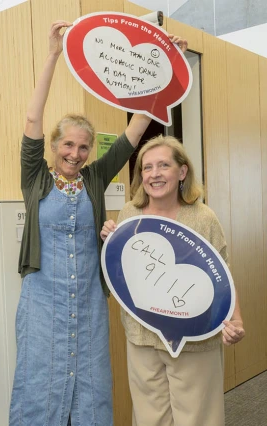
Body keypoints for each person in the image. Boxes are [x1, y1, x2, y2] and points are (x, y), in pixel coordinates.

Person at [10, 21, 188, 426]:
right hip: (42, 302)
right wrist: (53, 55)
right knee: (40, 387)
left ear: (92, 151)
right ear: (54, 146)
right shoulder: (35, 176)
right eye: (68, 144)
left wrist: (167, 66)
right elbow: (32, 117)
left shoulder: (93, 177)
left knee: (90, 390)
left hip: (89, 302)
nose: (75, 153)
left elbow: (138, 126)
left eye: (83, 146)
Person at [100, 135, 245, 426]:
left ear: (182, 172)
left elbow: (222, 275)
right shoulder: (130, 213)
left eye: (163, 165)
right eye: (147, 167)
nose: (154, 174)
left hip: (194, 337)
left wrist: (236, 322)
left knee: (198, 417)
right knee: (149, 418)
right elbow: (121, 270)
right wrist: (110, 240)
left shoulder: (204, 218)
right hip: (142, 336)